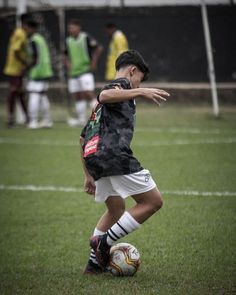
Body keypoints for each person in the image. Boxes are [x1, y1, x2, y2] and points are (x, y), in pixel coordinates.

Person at [80, 49, 170, 274]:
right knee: (153, 202)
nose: (140, 84)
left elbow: (83, 137)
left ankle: (93, 265)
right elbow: (105, 95)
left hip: (94, 157)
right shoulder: (120, 85)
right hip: (114, 156)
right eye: (140, 78)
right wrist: (140, 91)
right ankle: (104, 242)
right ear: (132, 70)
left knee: (115, 209)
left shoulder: (103, 104)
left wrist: (88, 174)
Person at [64, 19, 103, 127]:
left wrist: (94, 62)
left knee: (88, 93)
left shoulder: (85, 37)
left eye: (72, 27)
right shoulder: (68, 40)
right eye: (69, 28)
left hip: (85, 71)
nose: (70, 30)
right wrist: (68, 64)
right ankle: (81, 119)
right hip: (74, 73)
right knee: (78, 96)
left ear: (78, 27)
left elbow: (98, 48)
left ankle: (100, 116)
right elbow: (65, 55)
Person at [3, 14, 30, 127]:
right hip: (16, 69)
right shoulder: (21, 34)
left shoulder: (17, 32)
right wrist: (25, 63)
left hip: (14, 67)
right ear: (25, 23)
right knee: (14, 92)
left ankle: (26, 117)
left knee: (19, 93)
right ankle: (11, 119)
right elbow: (16, 50)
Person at [26, 20, 53, 129]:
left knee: (34, 95)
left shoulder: (33, 40)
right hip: (45, 71)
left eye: (26, 28)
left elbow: (34, 58)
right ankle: (47, 120)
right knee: (42, 96)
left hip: (37, 72)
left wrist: (26, 68)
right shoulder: (41, 39)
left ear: (31, 28)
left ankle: (33, 121)